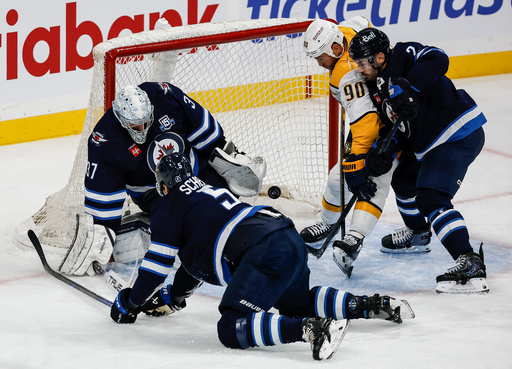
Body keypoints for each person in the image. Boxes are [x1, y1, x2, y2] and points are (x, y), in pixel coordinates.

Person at [109, 152, 415, 361]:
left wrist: (129, 301)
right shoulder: (207, 191)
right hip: (285, 235)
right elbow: (194, 263)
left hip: (261, 250)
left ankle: (311, 329)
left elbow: (156, 268)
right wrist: (174, 297)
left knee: (230, 327)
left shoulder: (167, 206)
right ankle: (372, 305)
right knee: (295, 302)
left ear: (162, 186)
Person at [59, 82, 266, 276]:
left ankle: (255, 243)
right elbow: (104, 201)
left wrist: (227, 158)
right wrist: (101, 240)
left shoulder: (164, 96)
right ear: (121, 120)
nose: (143, 130)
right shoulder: (104, 140)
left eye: (146, 122)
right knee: (187, 225)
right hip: (155, 192)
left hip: (194, 171)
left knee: (227, 206)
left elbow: (207, 134)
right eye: (135, 126)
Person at [348, 28, 489, 293]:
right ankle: (418, 234)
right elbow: (397, 127)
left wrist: (409, 86)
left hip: (457, 132)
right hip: (427, 144)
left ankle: (470, 264)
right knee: (403, 179)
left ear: (380, 57)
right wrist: (381, 153)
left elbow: (439, 58)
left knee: (431, 196)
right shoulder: (375, 87)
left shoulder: (403, 55)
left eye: (363, 63)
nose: (359, 69)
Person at [301, 17, 396, 277]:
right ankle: (327, 226)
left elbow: (366, 125)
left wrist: (356, 162)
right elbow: (361, 21)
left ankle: (354, 239)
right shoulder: (345, 32)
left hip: (388, 128)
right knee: (337, 178)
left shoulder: (346, 75)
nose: (318, 63)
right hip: (372, 118)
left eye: (319, 57)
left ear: (334, 49)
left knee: (374, 179)